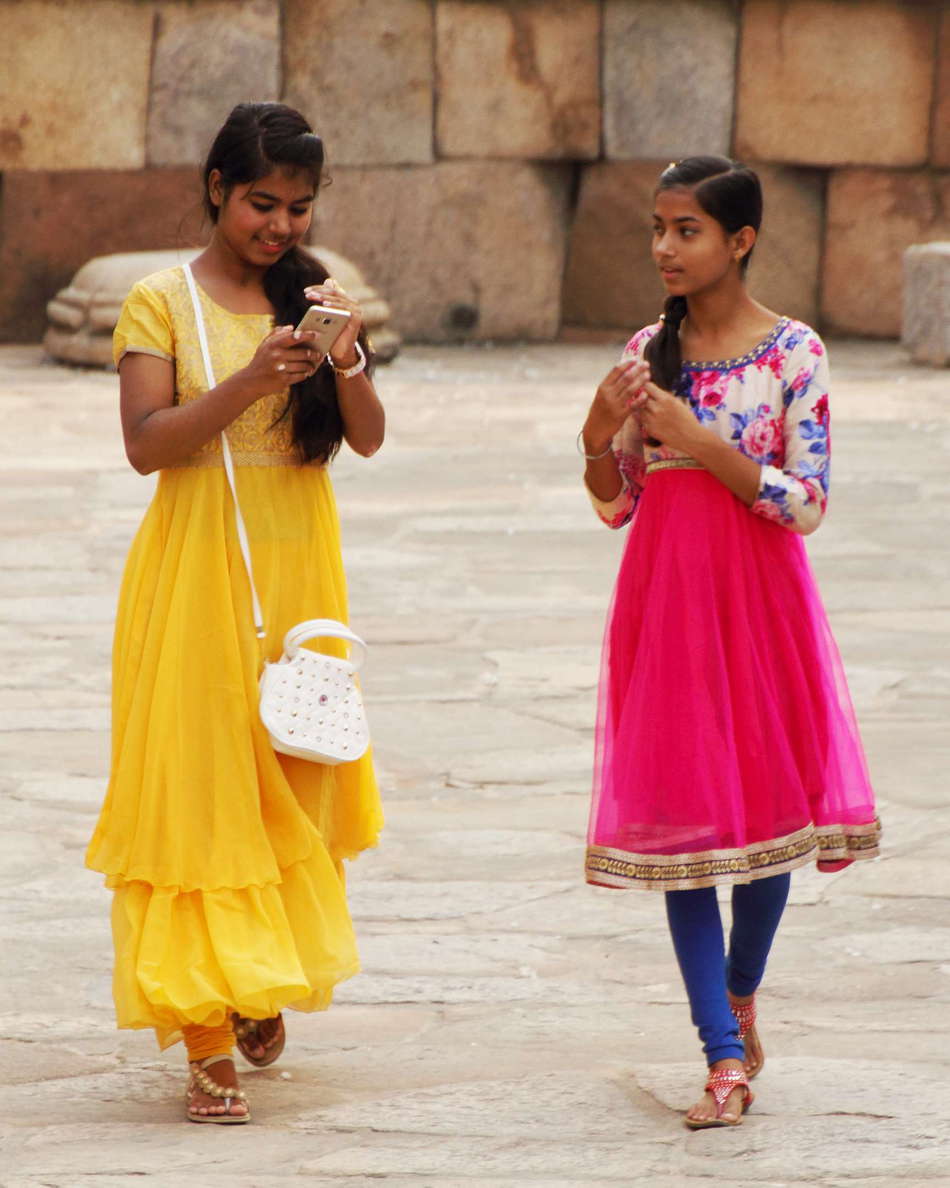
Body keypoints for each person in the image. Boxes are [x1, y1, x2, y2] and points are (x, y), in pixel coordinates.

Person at [85, 102, 385, 1124]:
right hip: (199, 561)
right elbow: (147, 442)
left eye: (298, 208)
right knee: (198, 789)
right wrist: (255, 373)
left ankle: (257, 978)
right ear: (217, 186)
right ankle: (206, 1034)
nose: (280, 227)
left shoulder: (313, 294)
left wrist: (342, 360)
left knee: (289, 782)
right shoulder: (158, 300)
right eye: (262, 203)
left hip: (297, 563)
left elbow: (369, 440)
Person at [578, 157, 880, 1130]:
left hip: (759, 608)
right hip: (665, 608)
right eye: (657, 229)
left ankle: (739, 990)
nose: (664, 248)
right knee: (682, 835)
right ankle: (719, 1056)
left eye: (686, 230)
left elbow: (807, 502)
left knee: (762, 829)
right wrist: (598, 431)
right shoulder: (642, 350)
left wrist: (704, 446)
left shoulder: (790, 353)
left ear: (738, 239)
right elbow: (616, 505)